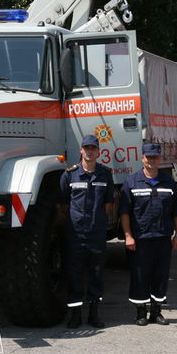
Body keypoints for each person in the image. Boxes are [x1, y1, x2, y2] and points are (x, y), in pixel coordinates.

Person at [119, 142, 177, 326]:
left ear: (160, 159)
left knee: (160, 275)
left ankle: (156, 311)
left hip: (163, 238)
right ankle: (140, 312)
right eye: (148, 157)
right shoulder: (131, 182)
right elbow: (125, 212)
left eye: (155, 157)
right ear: (142, 158)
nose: (152, 160)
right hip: (141, 238)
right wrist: (128, 236)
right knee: (140, 275)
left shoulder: (169, 183)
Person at [58, 134, 115, 329]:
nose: (90, 151)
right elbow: (64, 204)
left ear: (98, 151)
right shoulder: (69, 175)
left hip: (97, 233)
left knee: (96, 273)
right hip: (76, 234)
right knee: (74, 273)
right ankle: (75, 315)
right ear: (81, 150)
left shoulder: (105, 175)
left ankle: (94, 314)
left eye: (93, 148)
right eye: (86, 148)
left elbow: (108, 204)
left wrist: (96, 223)